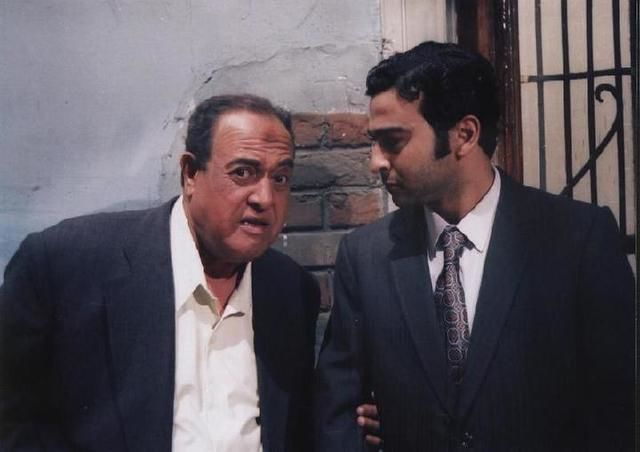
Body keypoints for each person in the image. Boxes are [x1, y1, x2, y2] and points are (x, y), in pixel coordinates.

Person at [314, 41, 634, 451]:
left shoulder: (577, 238)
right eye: (373, 143)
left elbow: (617, 409)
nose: (376, 162)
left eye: (393, 141)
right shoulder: (366, 256)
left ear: (464, 135)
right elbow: (337, 412)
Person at [0, 94, 321, 451]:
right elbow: (12, 421)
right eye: (242, 173)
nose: (265, 197)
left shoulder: (291, 290)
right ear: (190, 174)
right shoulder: (68, 263)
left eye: (280, 178)